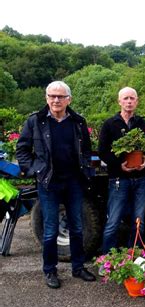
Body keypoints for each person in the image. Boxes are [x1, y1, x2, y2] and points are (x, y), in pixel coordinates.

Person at [16, 81, 96, 289]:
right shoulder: (36, 121)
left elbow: (86, 150)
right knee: (50, 230)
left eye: (60, 96)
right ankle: (50, 270)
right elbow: (22, 150)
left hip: (73, 183)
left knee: (77, 228)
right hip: (48, 183)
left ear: (69, 99)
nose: (56, 100)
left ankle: (78, 267)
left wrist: (86, 169)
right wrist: (36, 169)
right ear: (46, 98)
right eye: (52, 96)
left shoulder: (78, 122)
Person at [98, 87, 145, 254]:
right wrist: (118, 164)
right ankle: (107, 259)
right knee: (113, 221)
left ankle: (132, 256)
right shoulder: (110, 124)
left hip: (142, 179)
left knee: (139, 222)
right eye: (126, 98)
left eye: (132, 98)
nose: (129, 101)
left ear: (137, 101)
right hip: (119, 179)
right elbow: (103, 151)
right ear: (119, 101)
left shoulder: (143, 124)